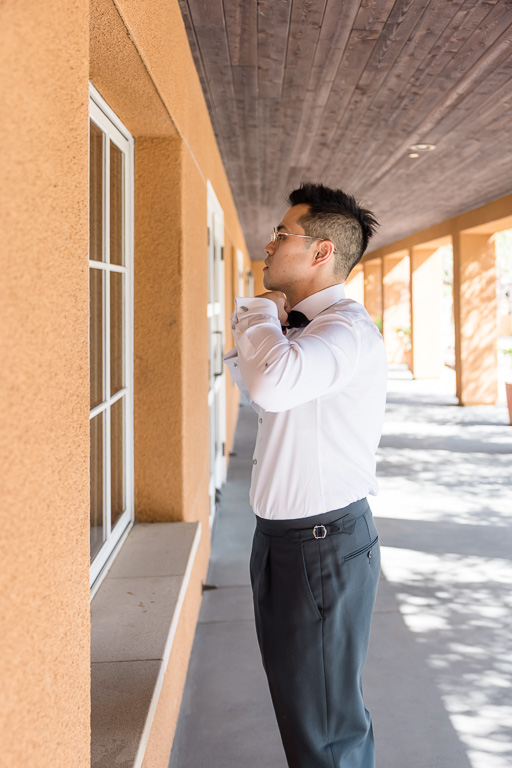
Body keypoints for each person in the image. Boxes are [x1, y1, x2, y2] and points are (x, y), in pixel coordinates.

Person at [224, 182, 387, 768]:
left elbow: (268, 381)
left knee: (326, 732)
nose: (268, 243)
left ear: (321, 252)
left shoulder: (343, 330)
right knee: (306, 714)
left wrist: (259, 310)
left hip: (319, 548)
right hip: (287, 544)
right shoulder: (307, 330)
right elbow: (261, 390)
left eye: (281, 233)